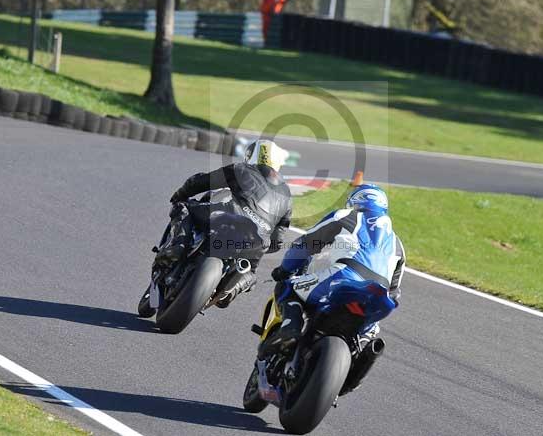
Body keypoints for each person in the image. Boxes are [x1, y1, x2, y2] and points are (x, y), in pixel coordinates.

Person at [263, 183, 405, 355]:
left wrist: (285, 270)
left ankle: (290, 331)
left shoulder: (344, 215)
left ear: (355, 202)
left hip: (345, 275)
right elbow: (394, 293)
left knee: (287, 287)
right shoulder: (398, 244)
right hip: (379, 296)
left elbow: (305, 244)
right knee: (369, 338)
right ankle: (357, 368)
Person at [155, 139, 293, 307]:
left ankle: (177, 247)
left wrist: (180, 194)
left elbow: (203, 181)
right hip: (259, 239)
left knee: (185, 208)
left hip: (229, 216)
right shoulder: (287, 195)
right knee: (250, 271)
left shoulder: (242, 169)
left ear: (252, 156)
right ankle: (234, 286)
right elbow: (278, 241)